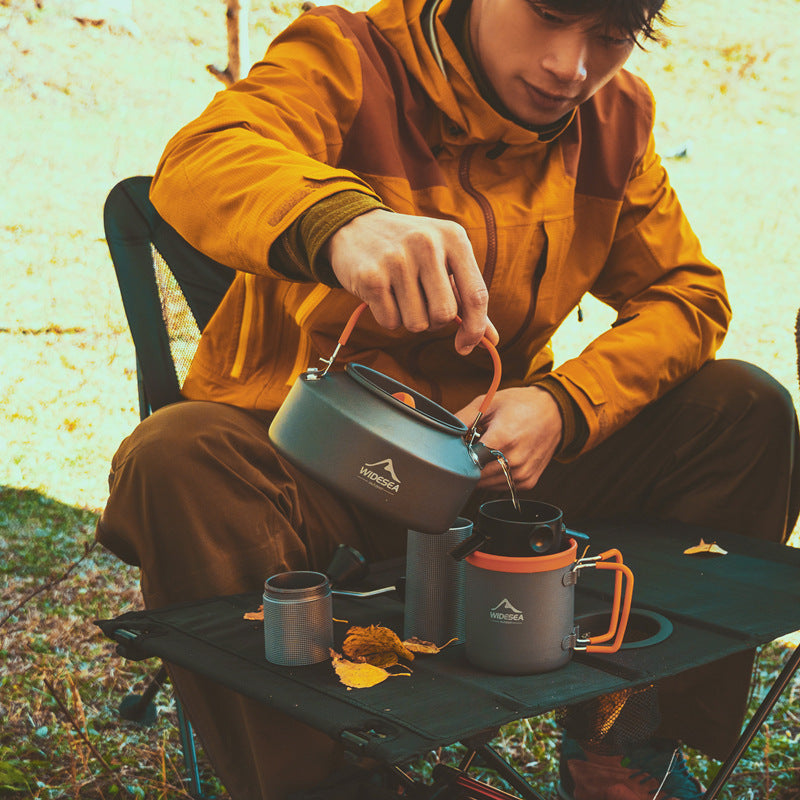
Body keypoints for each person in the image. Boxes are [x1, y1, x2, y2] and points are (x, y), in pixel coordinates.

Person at [96, 0, 800, 798]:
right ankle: (341, 786)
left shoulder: (611, 119)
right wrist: (340, 224)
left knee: (740, 408)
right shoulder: (348, 56)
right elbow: (202, 159)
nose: (572, 66)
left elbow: (686, 293)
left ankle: (623, 742)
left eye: (610, 34)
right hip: (307, 473)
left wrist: (563, 406)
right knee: (174, 455)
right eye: (551, 15)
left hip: (493, 484)